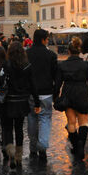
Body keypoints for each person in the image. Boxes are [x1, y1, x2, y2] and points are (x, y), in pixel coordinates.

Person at [55, 37, 88, 161]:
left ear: (68, 51)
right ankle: (80, 148)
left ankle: (76, 146)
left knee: (71, 123)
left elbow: (57, 84)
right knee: (84, 122)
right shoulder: (85, 64)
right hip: (82, 94)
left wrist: (56, 98)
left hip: (68, 94)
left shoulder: (62, 65)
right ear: (79, 50)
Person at [2, 41, 40, 168]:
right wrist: (37, 102)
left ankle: (11, 152)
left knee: (7, 127)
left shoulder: (6, 65)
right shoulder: (27, 66)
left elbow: (1, 81)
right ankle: (18, 156)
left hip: (9, 100)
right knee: (19, 128)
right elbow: (33, 85)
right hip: (22, 100)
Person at [26, 29, 57, 162]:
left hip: (30, 93)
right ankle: (42, 146)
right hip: (46, 92)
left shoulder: (27, 54)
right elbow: (55, 75)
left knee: (32, 118)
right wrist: (56, 91)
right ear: (44, 39)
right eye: (47, 39)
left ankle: (33, 147)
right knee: (45, 119)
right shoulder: (51, 55)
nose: (48, 41)